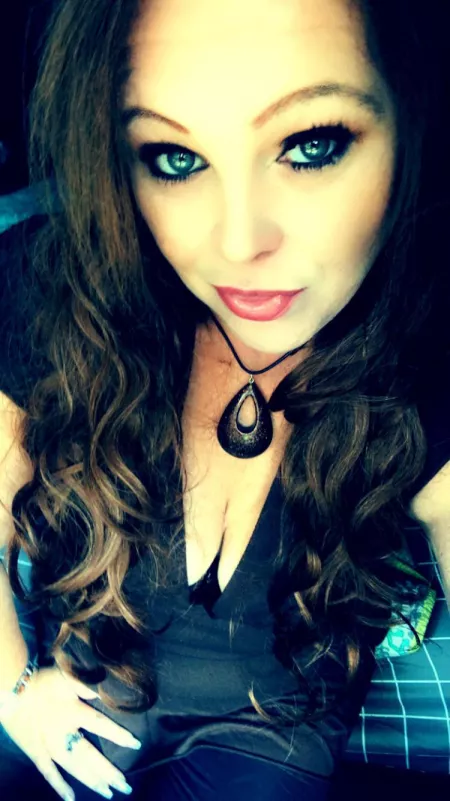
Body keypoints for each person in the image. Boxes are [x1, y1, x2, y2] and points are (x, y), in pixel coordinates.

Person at [1, 0, 450, 799]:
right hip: (76, 705)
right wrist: (15, 689)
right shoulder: (56, 289)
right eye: (174, 157)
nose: (239, 243)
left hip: (266, 742)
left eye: (311, 145)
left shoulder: (426, 338)